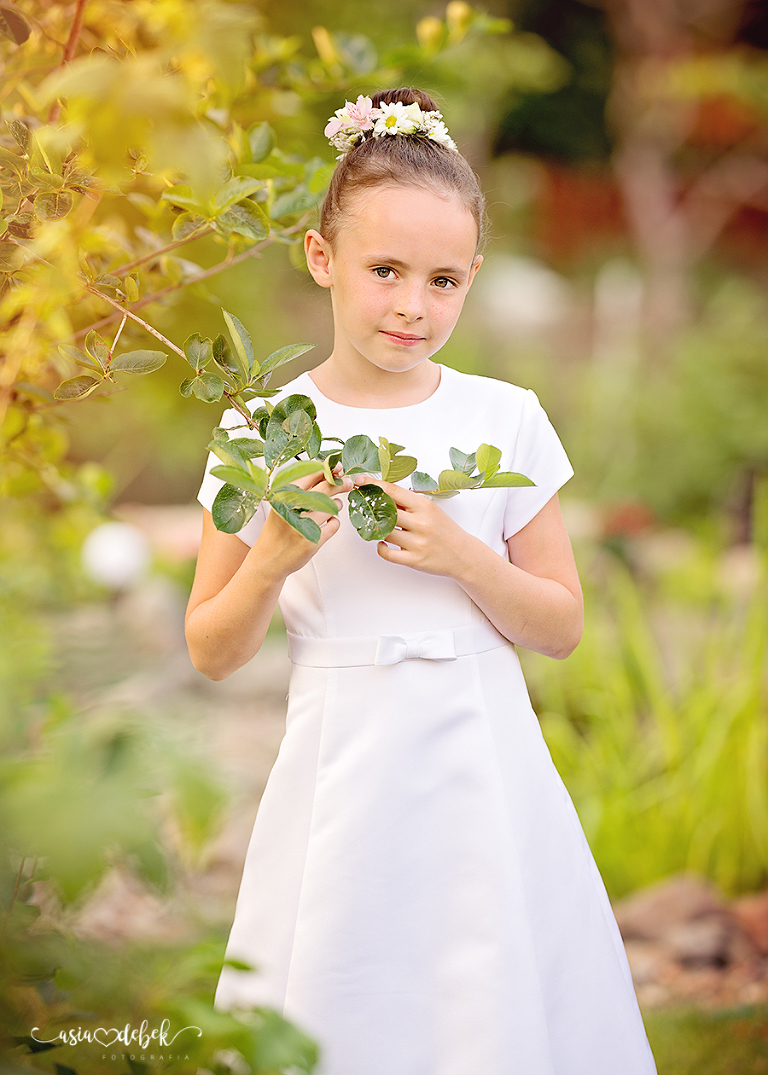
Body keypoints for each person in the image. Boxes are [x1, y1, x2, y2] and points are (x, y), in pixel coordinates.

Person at [186, 87, 658, 1075]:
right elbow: (211, 648)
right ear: (322, 258)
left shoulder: (506, 418)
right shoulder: (261, 430)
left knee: (488, 993)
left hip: (483, 757)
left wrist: (462, 554)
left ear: (472, 278)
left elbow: (561, 624)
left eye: (443, 279)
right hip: (341, 761)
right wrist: (272, 558)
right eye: (385, 270)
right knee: (342, 983)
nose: (413, 304)